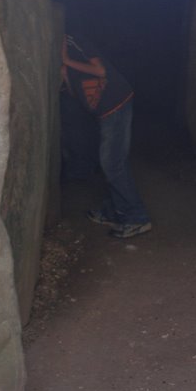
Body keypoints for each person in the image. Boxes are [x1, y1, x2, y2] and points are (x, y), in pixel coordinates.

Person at [61, 30, 152, 239]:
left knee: (113, 162)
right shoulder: (65, 54)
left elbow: (100, 71)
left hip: (116, 104)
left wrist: (66, 60)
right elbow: (77, 94)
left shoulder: (73, 40)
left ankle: (137, 217)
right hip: (104, 111)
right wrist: (65, 76)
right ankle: (114, 210)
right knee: (110, 161)